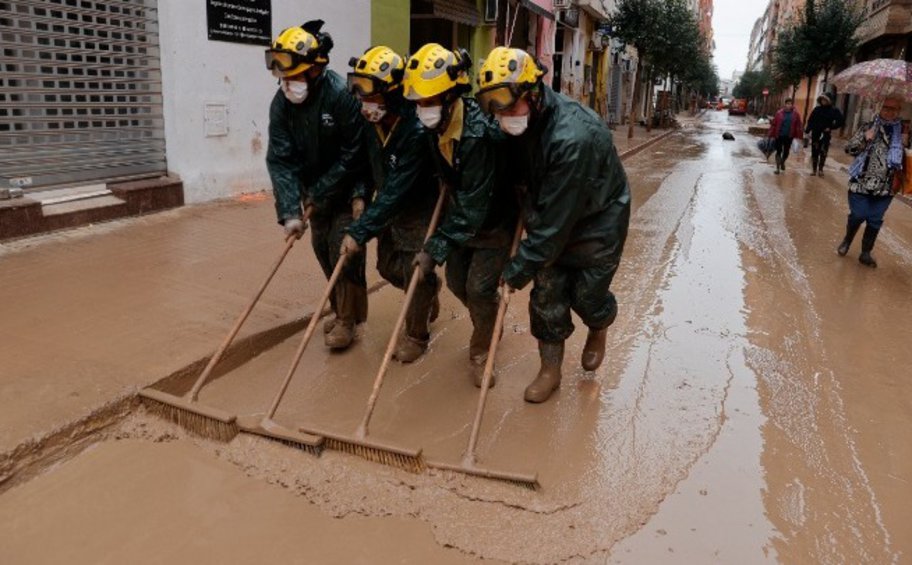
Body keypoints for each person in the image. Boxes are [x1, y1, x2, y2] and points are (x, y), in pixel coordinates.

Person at [475, 47, 630, 403]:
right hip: (548, 212)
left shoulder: (573, 137)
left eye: (507, 106)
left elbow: (554, 227)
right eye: (493, 107)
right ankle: (550, 369)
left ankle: (599, 322)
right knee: (546, 294)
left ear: (532, 94)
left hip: (597, 221)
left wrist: (517, 269)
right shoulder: (516, 120)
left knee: (586, 295)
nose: (501, 116)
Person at [402, 43, 518, 385]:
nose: (423, 108)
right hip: (460, 218)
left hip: (492, 221)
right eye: (419, 102)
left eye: (429, 101)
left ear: (452, 95)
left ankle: (482, 351)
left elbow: (475, 208)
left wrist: (433, 250)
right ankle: (490, 321)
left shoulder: (479, 134)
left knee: (479, 289)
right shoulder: (433, 127)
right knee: (456, 283)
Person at [265, 20, 367, 350]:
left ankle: (349, 321)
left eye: (293, 75)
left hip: (348, 188)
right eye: (282, 76)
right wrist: (290, 210)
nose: (287, 83)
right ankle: (339, 311)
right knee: (323, 250)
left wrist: (324, 191)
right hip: (314, 194)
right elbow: (280, 159)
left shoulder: (340, 96)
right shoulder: (281, 104)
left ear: (314, 70)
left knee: (344, 253)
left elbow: (355, 152)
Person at [338, 46, 441, 363]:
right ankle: (428, 291)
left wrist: (360, 231)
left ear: (393, 93)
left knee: (415, 272)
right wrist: (359, 194)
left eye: (370, 93)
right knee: (386, 267)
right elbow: (363, 165)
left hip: (417, 208)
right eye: (360, 91)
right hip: (387, 207)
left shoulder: (414, 129)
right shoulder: (371, 121)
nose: (364, 101)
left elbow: (398, 189)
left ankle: (416, 336)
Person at [837, 96, 908, 268]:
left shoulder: (904, 132)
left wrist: (905, 146)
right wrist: (865, 139)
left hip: (887, 186)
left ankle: (865, 253)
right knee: (858, 215)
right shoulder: (868, 127)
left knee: (875, 220)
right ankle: (847, 240)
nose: (889, 112)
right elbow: (849, 149)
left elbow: (907, 158)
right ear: (880, 108)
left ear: (898, 111)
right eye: (886, 108)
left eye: (893, 109)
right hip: (861, 181)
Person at [804, 93, 844, 177]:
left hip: (825, 135)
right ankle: (814, 169)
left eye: (825, 100)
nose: (823, 101)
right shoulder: (817, 109)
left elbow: (840, 121)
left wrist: (831, 127)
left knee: (823, 152)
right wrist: (807, 130)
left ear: (829, 101)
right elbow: (810, 120)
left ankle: (821, 169)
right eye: (822, 100)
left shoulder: (834, 110)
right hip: (816, 133)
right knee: (815, 151)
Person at [767, 98, 803, 175]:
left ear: (792, 105)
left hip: (789, 136)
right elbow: (774, 124)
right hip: (779, 135)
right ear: (785, 104)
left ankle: (782, 162)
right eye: (787, 103)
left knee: (786, 151)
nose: (789, 105)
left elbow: (798, 125)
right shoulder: (779, 113)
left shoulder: (796, 114)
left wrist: (799, 135)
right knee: (779, 151)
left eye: (790, 104)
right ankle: (777, 168)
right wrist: (770, 133)